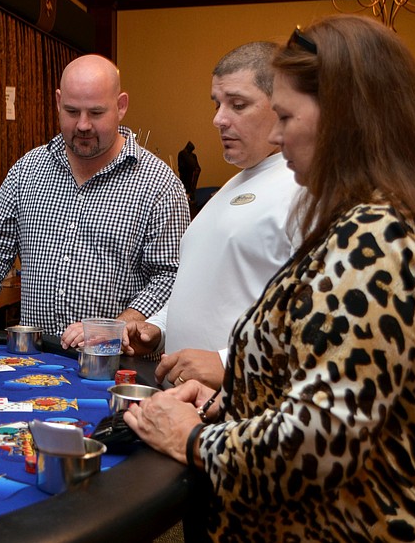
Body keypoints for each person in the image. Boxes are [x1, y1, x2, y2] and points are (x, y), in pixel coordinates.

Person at [124, 15, 415, 541]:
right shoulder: (356, 220)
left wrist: (194, 439)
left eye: (285, 115)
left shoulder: (376, 238)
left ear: (344, 118)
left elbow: (320, 442)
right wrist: (230, 398)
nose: (274, 132)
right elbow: (312, 372)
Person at [0, 54, 190, 346]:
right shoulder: (28, 169)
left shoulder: (160, 185)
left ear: (121, 106)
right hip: (34, 362)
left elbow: (169, 277)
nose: (83, 125)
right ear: (58, 101)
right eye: (72, 111)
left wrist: (114, 327)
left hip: (113, 365)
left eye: (96, 113)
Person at [126, 42, 303, 390]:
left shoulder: (304, 187)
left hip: (245, 404)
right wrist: (158, 328)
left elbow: (313, 321)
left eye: (238, 104)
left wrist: (226, 360)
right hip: (187, 406)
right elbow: (205, 286)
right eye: (217, 104)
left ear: (282, 105)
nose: (218, 119)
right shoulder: (231, 186)